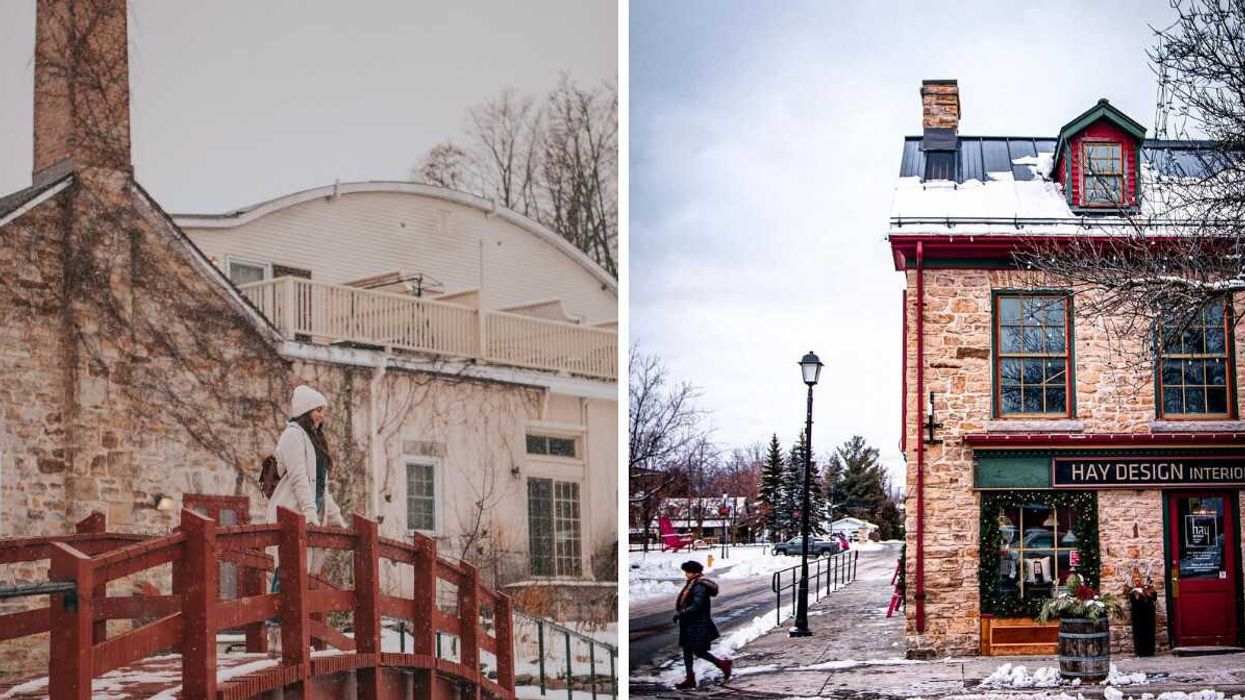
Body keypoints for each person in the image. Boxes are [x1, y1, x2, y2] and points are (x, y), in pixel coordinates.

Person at [265, 385, 348, 652]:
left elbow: (321, 486)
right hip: (293, 514)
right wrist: (310, 513)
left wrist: (336, 519)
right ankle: (276, 636)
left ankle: (291, 636)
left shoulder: (313, 440)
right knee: (286, 573)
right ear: (305, 411)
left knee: (298, 576)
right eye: (318, 410)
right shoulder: (293, 436)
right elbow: (300, 478)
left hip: (307, 517)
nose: (322, 415)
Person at [672, 560, 732, 689]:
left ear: (694, 572)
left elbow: (697, 606)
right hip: (690, 623)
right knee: (687, 650)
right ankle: (690, 678)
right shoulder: (693, 583)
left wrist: (681, 613)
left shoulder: (699, 586)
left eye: (687, 572)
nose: (685, 575)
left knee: (699, 651)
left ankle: (722, 664)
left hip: (697, 624)